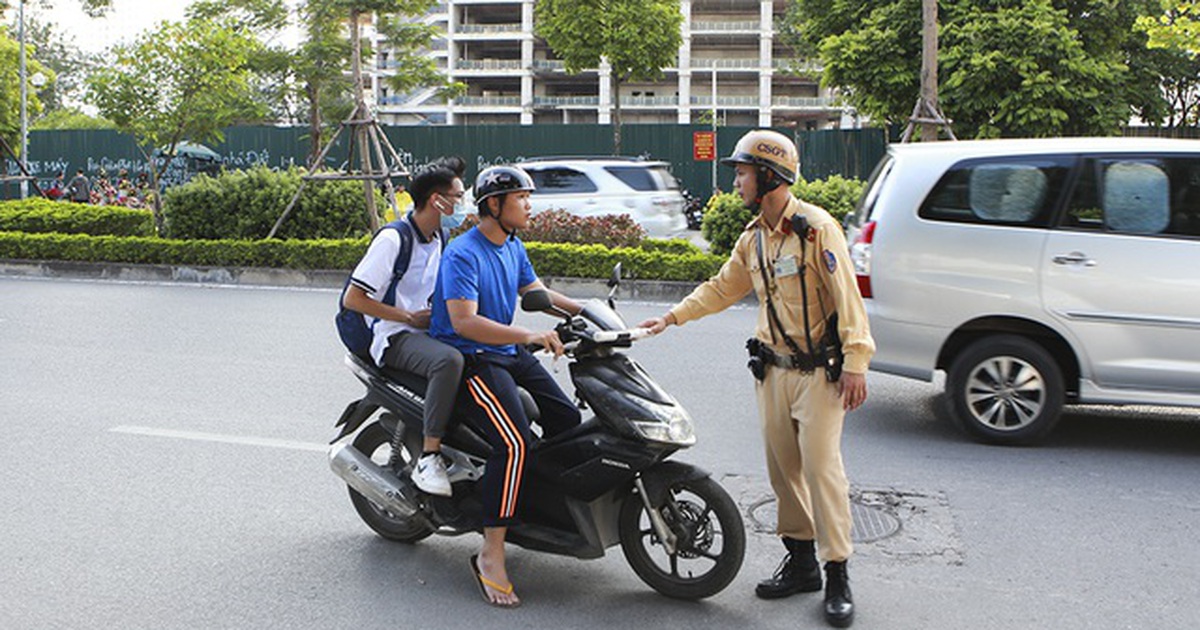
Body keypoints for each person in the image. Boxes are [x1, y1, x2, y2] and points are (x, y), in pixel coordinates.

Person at [639, 130, 874, 628]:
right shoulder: (754, 238)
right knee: (783, 471)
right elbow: (724, 287)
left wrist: (856, 361)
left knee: (821, 471)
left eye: (743, 173)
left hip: (819, 375)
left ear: (769, 176)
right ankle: (803, 563)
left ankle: (837, 573)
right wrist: (671, 317)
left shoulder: (815, 230)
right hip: (772, 372)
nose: (737, 182)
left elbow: (848, 299)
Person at [429, 165, 583, 608]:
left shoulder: (511, 245)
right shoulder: (463, 253)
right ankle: (491, 553)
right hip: (473, 358)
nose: (529, 206)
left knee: (567, 419)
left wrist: (589, 314)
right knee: (513, 443)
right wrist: (529, 335)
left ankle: (541, 504)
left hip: (506, 351)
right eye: (522, 199)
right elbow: (465, 322)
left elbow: (537, 292)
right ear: (494, 205)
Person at [342, 157, 471, 497]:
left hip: (425, 331)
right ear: (437, 200)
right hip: (394, 336)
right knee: (449, 362)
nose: (463, 203)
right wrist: (409, 317)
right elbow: (353, 299)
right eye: (458, 196)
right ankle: (430, 456)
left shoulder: (439, 237)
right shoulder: (394, 239)